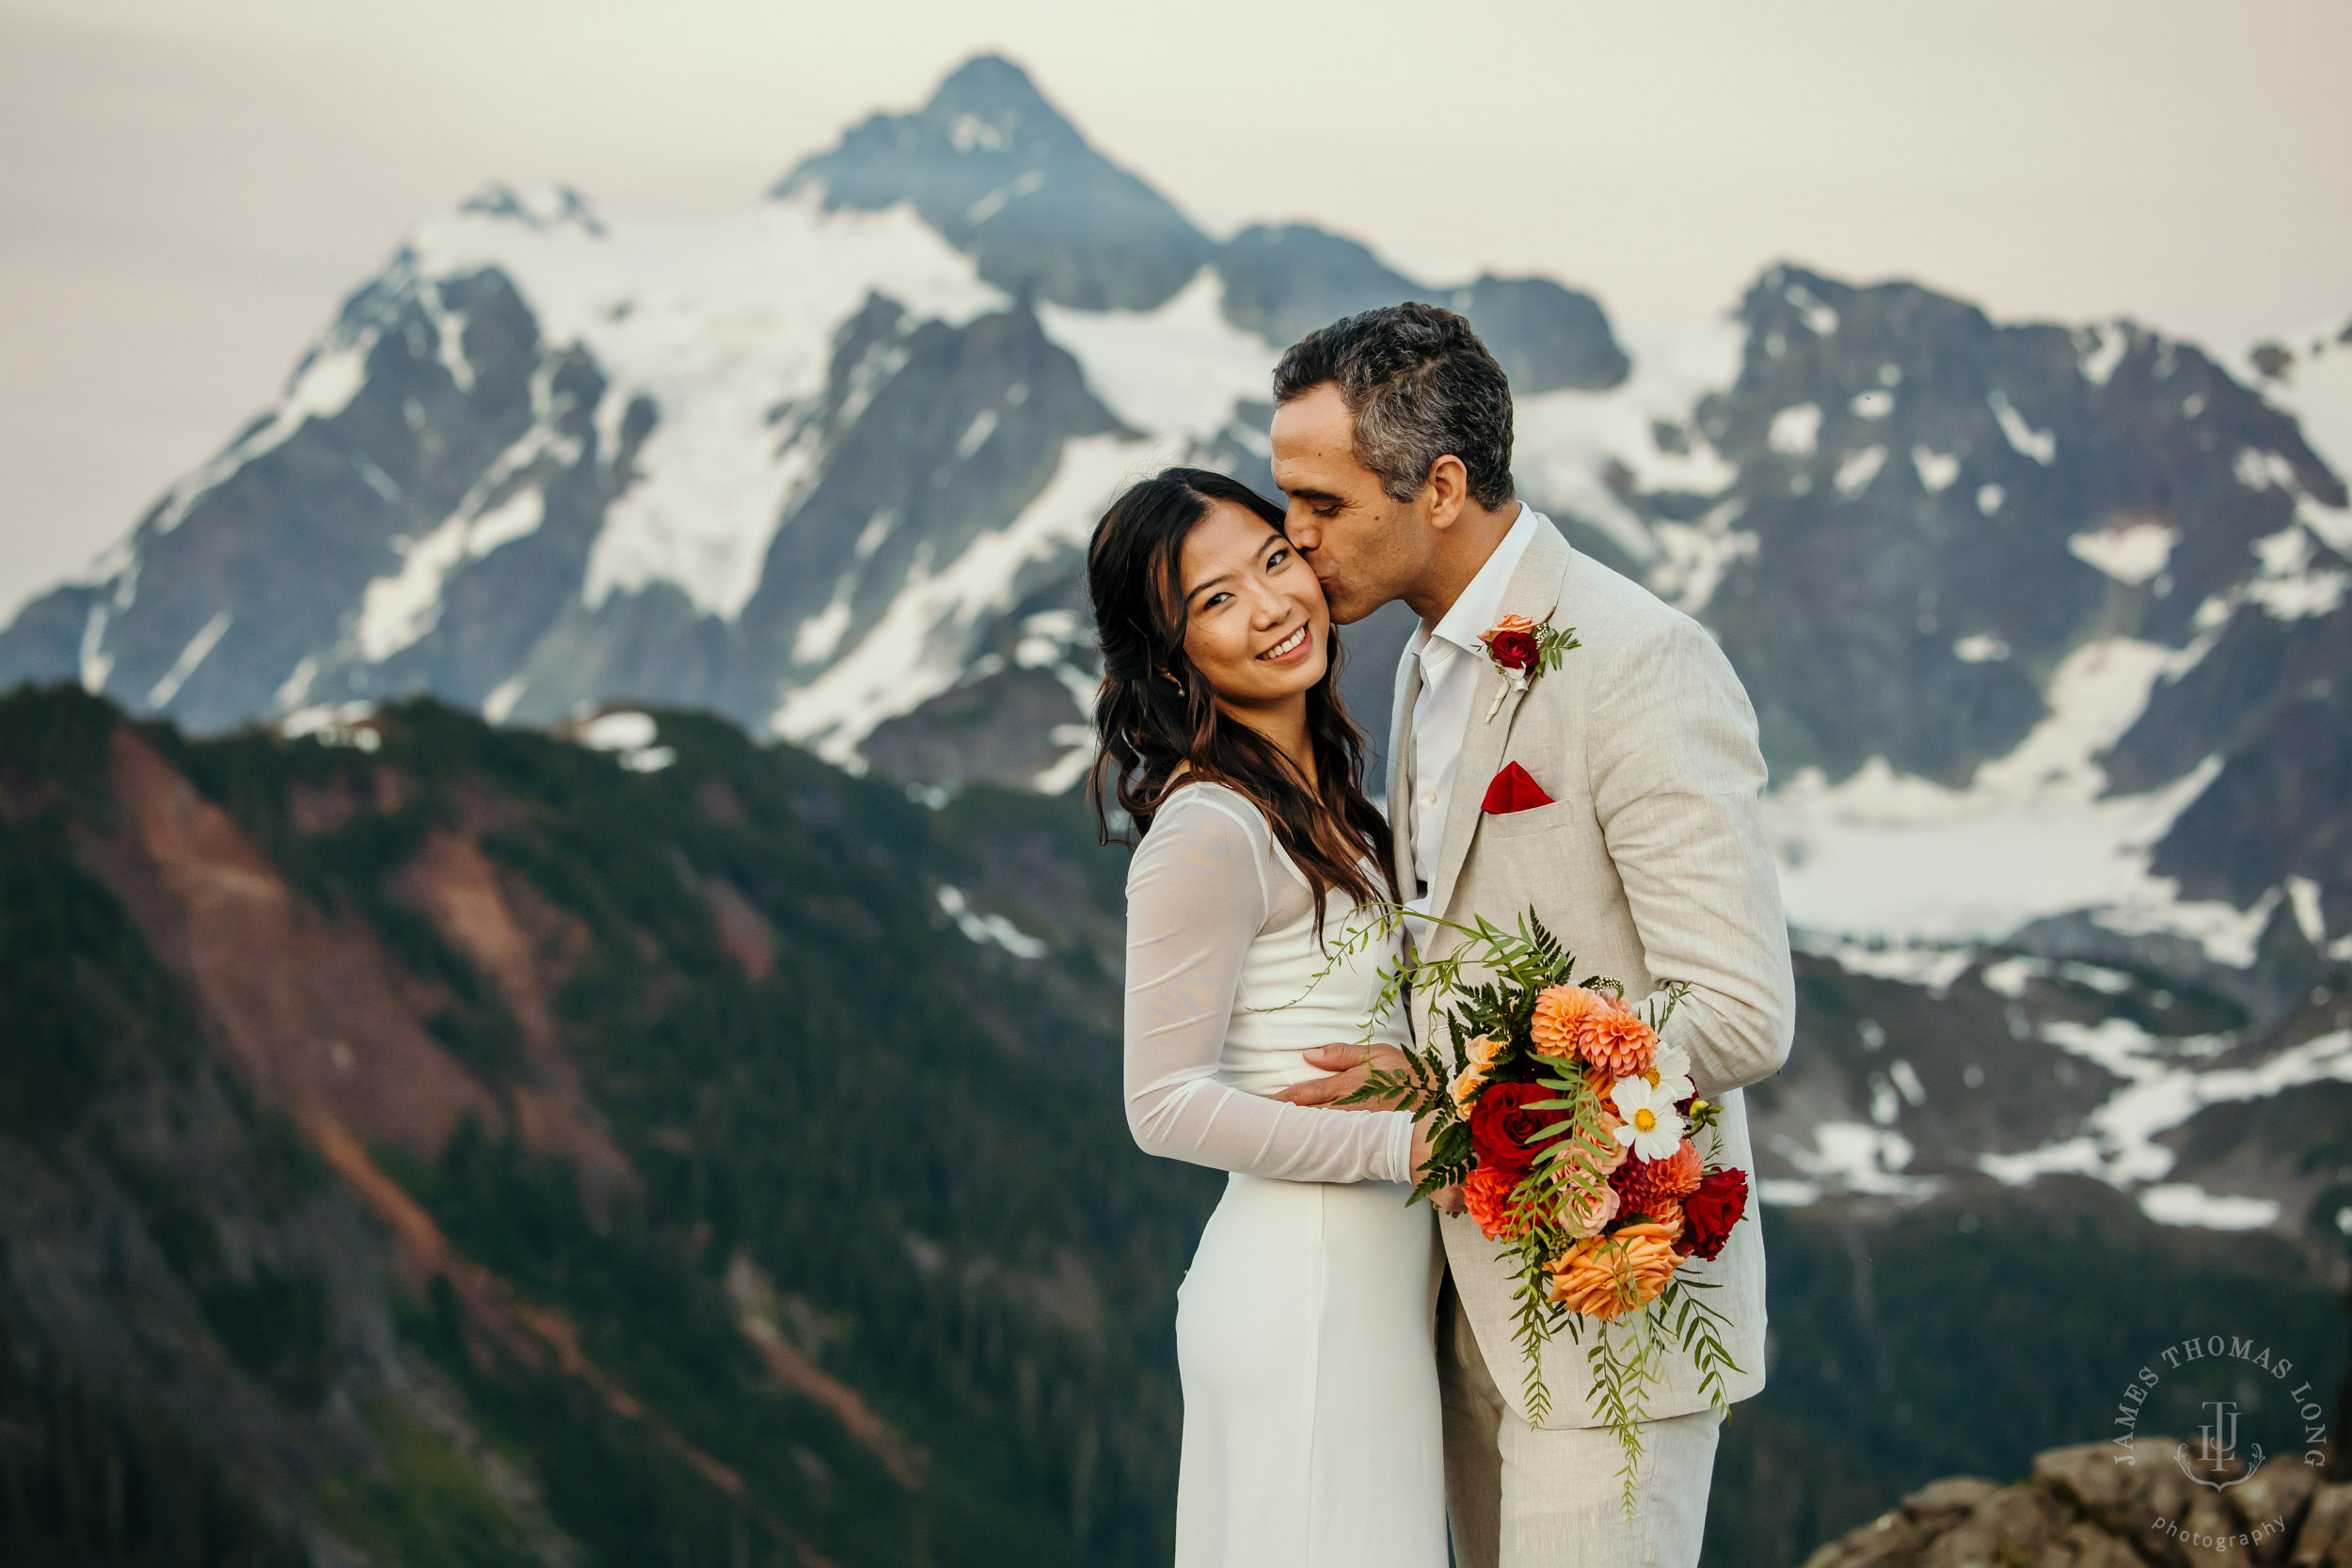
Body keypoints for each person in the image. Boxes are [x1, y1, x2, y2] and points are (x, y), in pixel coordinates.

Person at [1266, 303, 1796, 1568]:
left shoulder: (1642, 663)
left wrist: (1464, 1096)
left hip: (1613, 1293)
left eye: (1323, 502)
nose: (1293, 535)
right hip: (1462, 1290)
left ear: (1440, 486)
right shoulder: (1415, 659)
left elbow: (1736, 1008)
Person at [1088, 467, 1448, 1567]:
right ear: (1168, 656)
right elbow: (1163, 1104)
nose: (1272, 605)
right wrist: (1410, 1138)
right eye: (1215, 600)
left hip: (1372, 1289)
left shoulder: (1335, 800)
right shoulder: (1209, 826)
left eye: (1275, 559)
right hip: (1307, 1293)